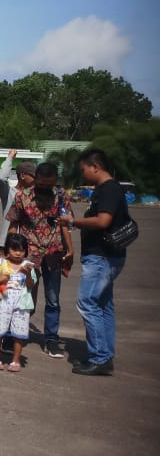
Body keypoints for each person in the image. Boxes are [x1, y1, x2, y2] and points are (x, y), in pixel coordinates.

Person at [60, 148, 131, 376]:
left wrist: (73, 221)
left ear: (95, 167)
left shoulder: (109, 189)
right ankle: (104, 355)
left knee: (88, 303)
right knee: (102, 305)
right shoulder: (109, 189)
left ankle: (100, 357)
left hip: (102, 256)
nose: (83, 174)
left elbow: (103, 221)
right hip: (107, 256)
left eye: (83, 170)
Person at [6, 162, 74, 359]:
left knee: (53, 299)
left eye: (50, 184)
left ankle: (51, 339)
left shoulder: (61, 196)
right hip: (29, 253)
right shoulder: (22, 196)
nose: (46, 188)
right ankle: (14, 334)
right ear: (35, 179)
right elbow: (13, 224)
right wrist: (10, 250)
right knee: (24, 297)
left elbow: (66, 224)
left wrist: (70, 249)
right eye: (42, 184)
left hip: (54, 252)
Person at [0, 234, 38, 372]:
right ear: (7, 250)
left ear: (26, 251)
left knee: (19, 332)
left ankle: (15, 360)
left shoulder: (28, 266)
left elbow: (31, 286)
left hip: (21, 303)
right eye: (15, 249)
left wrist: (27, 275)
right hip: (3, 300)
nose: (18, 253)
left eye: (21, 250)